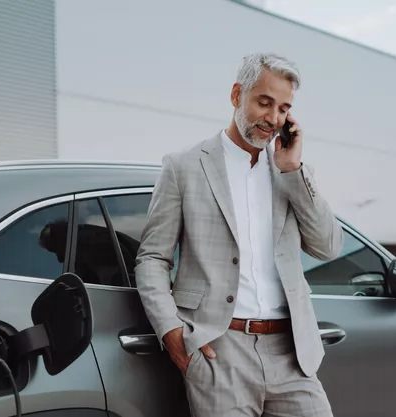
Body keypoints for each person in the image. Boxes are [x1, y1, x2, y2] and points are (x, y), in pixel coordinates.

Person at [135, 53, 344, 417]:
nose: (273, 119)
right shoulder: (183, 166)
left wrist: (293, 170)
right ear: (236, 95)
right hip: (220, 351)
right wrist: (172, 332)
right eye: (264, 103)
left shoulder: (291, 168)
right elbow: (153, 258)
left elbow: (328, 246)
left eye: (283, 108)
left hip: (292, 354)